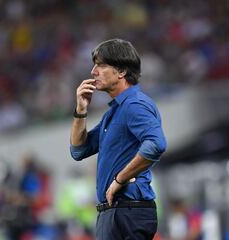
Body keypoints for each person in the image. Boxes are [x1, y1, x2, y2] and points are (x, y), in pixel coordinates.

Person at [70, 38, 167, 240]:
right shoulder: (115, 112)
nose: (93, 71)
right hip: (115, 212)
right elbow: (78, 150)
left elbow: (156, 143)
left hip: (128, 211)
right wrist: (81, 110)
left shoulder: (134, 104)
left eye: (101, 65)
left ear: (121, 71)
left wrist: (119, 179)